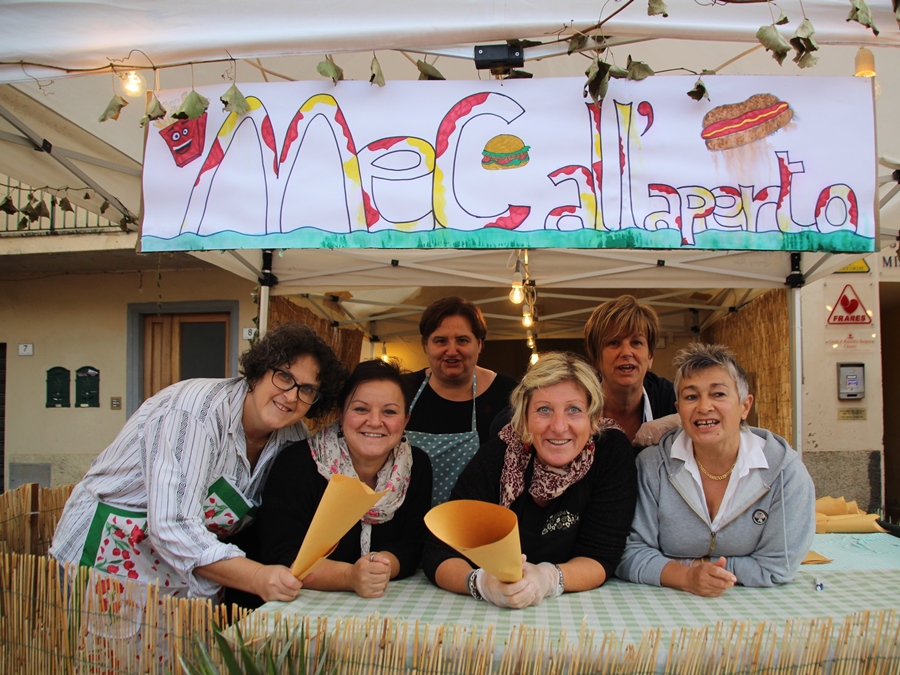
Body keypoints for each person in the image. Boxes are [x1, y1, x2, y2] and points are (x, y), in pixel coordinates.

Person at [50, 322, 347, 602]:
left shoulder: (292, 437)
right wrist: (256, 576)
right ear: (258, 371)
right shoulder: (195, 413)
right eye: (283, 376)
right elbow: (172, 524)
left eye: (307, 389)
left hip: (178, 575)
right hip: (107, 549)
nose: (291, 396)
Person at [422, 352, 637, 609]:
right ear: (524, 419)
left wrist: (548, 578)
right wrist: (481, 584)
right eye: (544, 410)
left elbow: (601, 556)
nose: (559, 427)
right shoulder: (498, 456)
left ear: (594, 419)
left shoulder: (610, 453)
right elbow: (439, 550)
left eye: (574, 410)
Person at [616, 343, 816, 597]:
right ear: (678, 409)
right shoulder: (651, 467)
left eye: (718, 394)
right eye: (691, 397)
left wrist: (690, 568)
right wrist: (687, 577)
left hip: (758, 605)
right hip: (667, 602)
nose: (704, 407)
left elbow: (778, 566)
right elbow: (628, 552)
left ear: (745, 406)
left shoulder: (784, 473)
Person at [256, 359, 432, 598]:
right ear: (340, 413)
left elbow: (412, 544)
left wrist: (380, 566)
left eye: (389, 412)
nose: (374, 421)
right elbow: (281, 554)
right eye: (361, 409)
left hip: (382, 601)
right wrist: (349, 577)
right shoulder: (298, 464)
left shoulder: (415, 465)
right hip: (298, 602)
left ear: (406, 420)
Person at [403, 296, 517, 504]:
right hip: (409, 518)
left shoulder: (509, 394)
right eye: (441, 341)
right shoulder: (403, 390)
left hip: (479, 517)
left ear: (479, 344)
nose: (452, 351)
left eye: (462, 340)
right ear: (425, 345)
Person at [583, 295, 678, 446]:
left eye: (636, 342)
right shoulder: (581, 403)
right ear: (596, 358)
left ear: (650, 356)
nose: (626, 352)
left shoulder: (672, 397)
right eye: (614, 343)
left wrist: (679, 420)